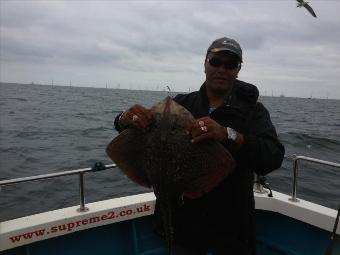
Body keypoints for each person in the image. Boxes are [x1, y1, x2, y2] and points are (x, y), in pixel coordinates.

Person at [114, 37, 285, 255]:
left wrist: (227, 135)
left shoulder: (254, 111)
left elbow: (272, 157)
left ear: (238, 70)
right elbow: (132, 127)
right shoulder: (181, 105)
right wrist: (124, 119)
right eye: (215, 62)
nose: (222, 69)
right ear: (205, 64)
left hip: (232, 228)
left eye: (230, 64)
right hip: (183, 225)